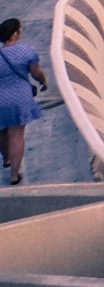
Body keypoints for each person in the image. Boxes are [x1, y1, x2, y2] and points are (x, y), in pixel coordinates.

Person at [0, 17, 47, 185]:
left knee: (2, 130)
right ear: (14, 34)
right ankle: (14, 175)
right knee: (16, 135)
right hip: (19, 97)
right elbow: (36, 73)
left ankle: (6, 159)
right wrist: (43, 82)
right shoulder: (27, 51)